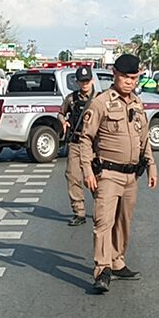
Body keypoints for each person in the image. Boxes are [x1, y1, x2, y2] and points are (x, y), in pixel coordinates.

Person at [77, 53, 158, 293]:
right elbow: (85, 139)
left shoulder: (137, 103)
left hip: (131, 176)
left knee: (124, 222)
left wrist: (151, 165)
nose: (130, 82)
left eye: (134, 78)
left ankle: (117, 260)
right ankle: (102, 270)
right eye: (125, 77)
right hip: (108, 174)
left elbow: (145, 139)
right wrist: (87, 171)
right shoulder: (101, 103)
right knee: (104, 222)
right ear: (115, 74)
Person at [59, 66, 95, 227]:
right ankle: (79, 212)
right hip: (76, 142)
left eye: (87, 81)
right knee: (73, 176)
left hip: (95, 145)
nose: (85, 84)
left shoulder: (99, 99)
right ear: (77, 82)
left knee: (97, 178)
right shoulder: (71, 98)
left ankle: (101, 210)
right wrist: (64, 122)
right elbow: (61, 112)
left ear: (92, 80)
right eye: (82, 81)